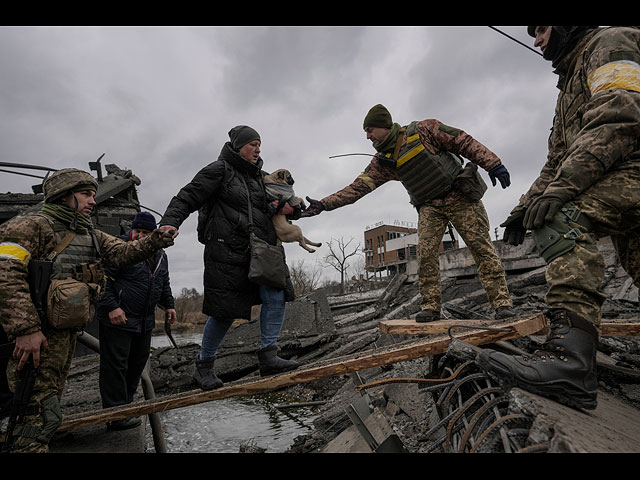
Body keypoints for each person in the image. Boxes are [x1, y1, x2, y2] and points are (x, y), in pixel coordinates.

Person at [478, 26, 640, 411]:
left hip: (632, 168)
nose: (536, 39)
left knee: (560, 218)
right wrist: (523, 208)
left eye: (543, 28)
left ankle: (570, 364)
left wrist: (559, 192)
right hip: (622, 179)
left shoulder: (610, 42)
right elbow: (556, 161)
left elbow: (620, 113)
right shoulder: (569, 85)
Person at [0, 168, 175, 453]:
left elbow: (123, 252)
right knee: (34, 407)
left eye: (94, 194)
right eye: (86, 195)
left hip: (64, 335)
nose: (93, 201)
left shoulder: (88, 234)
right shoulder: (29, 227)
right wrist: (26, 329)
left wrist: (157, 239)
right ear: (63, 196)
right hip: (37, 336)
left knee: (49, 400)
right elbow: (5, 275)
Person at [301, 104, 515, 322]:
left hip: (460, 196)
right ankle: (431, 307)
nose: (367, 136)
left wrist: (492, 163)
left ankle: (502, 304)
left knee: (482, 249)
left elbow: (462, 141)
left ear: (384, 126)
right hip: (430, 207)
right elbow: (356, 188)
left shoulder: (424, 130)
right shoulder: (382, 162)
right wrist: (323, 205)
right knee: (425, 255)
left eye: (370, 130)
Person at [158, 125, 299, 391]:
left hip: (264, 249)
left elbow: (283, 204)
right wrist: (170, 222)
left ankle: (269, 355)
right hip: (227, 251)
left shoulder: (264, 178)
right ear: (237, 146)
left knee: (276, 295)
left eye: (259, 144)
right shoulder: (219, 170)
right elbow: (187, 196)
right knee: (224, 311)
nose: (257, 149)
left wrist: (297, 209)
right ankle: (204, 367)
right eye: (252, 144)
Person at [96, 211, 177, 431]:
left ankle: (127, 408)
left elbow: (163, 281)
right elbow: (102, 280)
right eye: (137, 231)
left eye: (145, 232)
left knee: (136, 364)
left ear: (154, 233)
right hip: (118, 318)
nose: (140, 235)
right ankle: (115, 415)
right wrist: (112, 306)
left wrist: (169, 304)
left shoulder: (160, 254)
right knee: (115, 367)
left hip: (144, 320)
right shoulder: (118, 248)